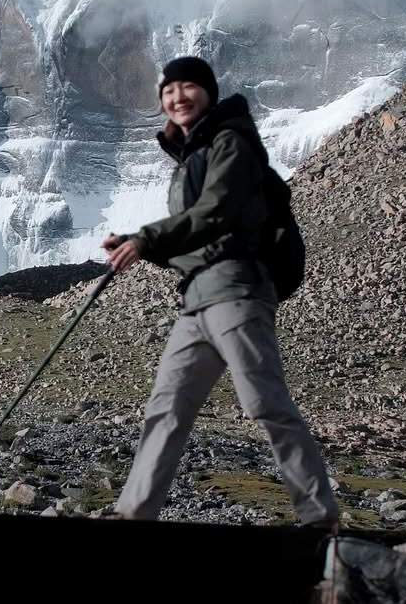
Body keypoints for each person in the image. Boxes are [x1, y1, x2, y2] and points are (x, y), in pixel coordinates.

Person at [101, 55, 338, 527]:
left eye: (188, 86)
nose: (178, 97)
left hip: (238, 292)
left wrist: (147, 239)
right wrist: (137, 244)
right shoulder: (191, 157)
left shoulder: (232, 142)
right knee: (166, 408)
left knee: (265, 402)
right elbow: (198, 239)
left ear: (209, 92)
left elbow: (217, 212)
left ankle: (319, 519)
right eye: (169, 91)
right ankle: (133, 514)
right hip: (197, 302)